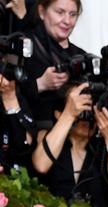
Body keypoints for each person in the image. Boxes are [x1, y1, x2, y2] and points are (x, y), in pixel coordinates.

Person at [31, 81, 108, 207]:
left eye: (91, 107)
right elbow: (41, 164)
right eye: (81, 106)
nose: (86, 113)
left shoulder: (103, 150)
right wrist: (69, 114)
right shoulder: (47, 137)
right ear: (59, 114)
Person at [21, 0, 86, 128]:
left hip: (73, 139)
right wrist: (40, 84)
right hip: (32, 138)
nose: (67, 21)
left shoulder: (81, 56)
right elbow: (7, 94)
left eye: (73, 14)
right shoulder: (22, 47)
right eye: (60, 12)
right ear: (41, 12)